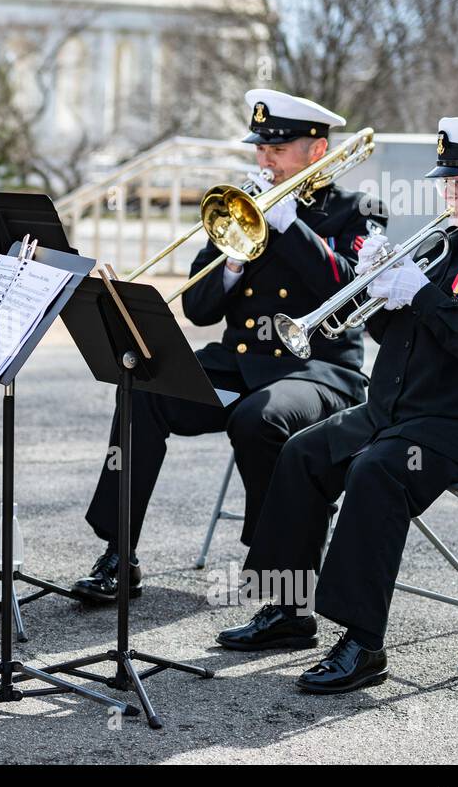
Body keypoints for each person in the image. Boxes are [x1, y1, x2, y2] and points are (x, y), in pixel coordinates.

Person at [218, 118, 458, 693]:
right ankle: (287, 611)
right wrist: (379, 291)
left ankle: (362, 641)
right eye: (444, 181)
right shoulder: (450, 244)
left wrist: (418, 292)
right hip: (408, 410)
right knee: (302, 453)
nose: (447, 192)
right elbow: (403, 339)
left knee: (378, 471)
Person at [71, 89, 384, 603]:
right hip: (241, 364)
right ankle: (118, 552)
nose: (264, 160)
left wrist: (290, 228)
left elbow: (352, 295)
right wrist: (234, 259)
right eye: (260, 149)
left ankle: (275, 575)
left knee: (258, 420)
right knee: (142, 388)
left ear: (317, 149)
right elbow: (198, 310)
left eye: (277, 150)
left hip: (320, 370)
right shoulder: (242, 208)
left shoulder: (358, 209)